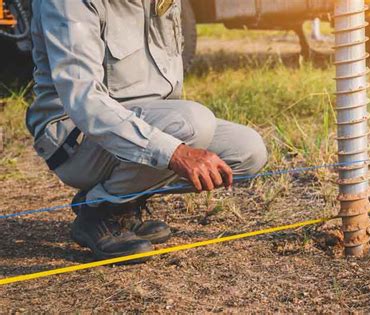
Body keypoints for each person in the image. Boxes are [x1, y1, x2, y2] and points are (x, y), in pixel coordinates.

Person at [26, 0, 267, 262]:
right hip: (77, 139)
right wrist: (173, 151)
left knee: (247, 151)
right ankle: (99, 211)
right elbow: (86, 103)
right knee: (192, 123)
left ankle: (125, 199)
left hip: (142, 122)